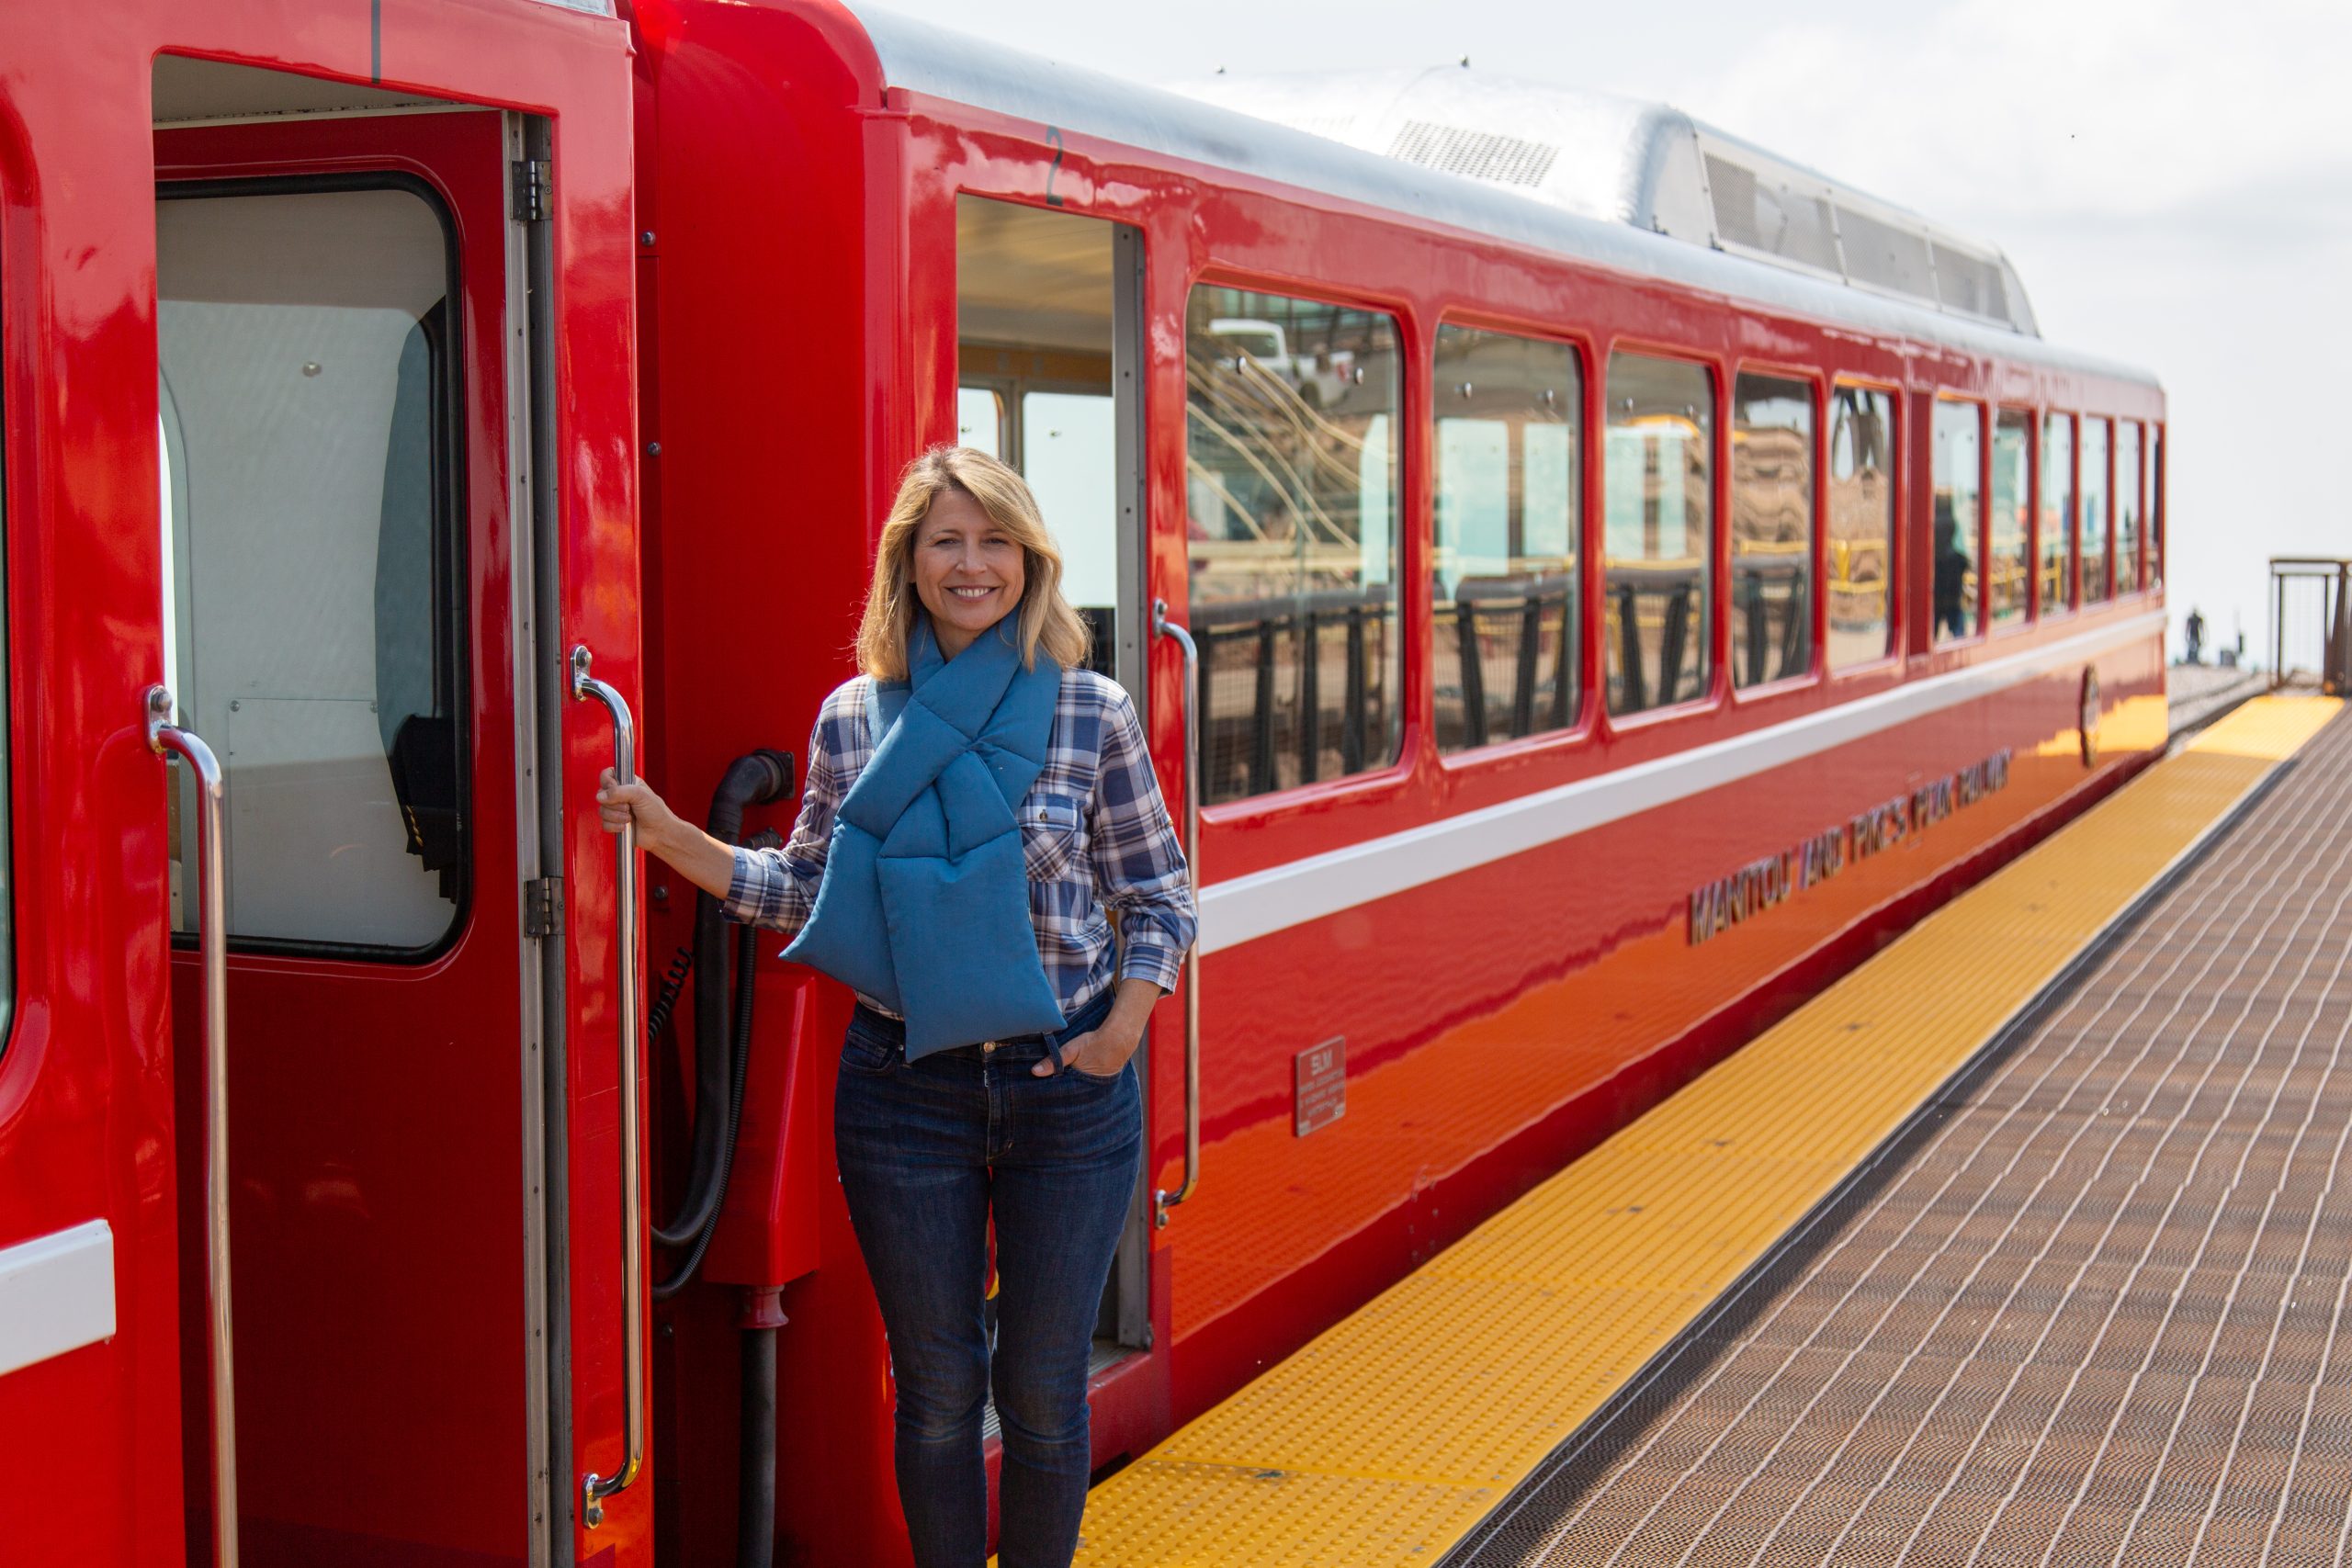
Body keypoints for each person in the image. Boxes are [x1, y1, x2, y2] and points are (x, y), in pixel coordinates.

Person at [595, 446, 1196, 1568]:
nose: (972, 566)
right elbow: (815, 890)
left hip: (1064, 1089)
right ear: (908, 567)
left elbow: (1156, 893)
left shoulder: (1089, 710)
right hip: (902, 1091)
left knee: (1040, 1392)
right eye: (945, 543)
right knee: (930, 1389)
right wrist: (678, 840)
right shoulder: (853, 721)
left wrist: (1119, 1033)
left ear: (1029, 559)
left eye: (993, 542)